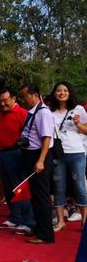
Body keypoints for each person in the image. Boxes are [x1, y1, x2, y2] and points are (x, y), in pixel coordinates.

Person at [0, 87, 35, 228]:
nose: (2, 103)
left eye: (5, 100)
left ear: (13, 99)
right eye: (0, 101)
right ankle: (15, 217)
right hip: (1, 154)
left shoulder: (23, 114)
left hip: (17, 153)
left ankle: (28, 220)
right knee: (7, 187)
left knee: (19, 187)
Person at [18, 83, 55, 243]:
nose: (23, 100)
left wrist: (40, 160)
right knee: (35, 196)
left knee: (41, 196)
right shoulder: (32, 113)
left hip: (39, 156)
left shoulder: (43, 113)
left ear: (34, 95)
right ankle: (39, 228)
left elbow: (46, 137)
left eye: (24, 96)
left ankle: (46, 235)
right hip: (30, 155)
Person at [48, 81, 87, 230]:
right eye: (58, 90)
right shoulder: (49, 111)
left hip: (76, 153)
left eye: (65, 90)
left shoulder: (78, 109)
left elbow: (86, 131)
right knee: (58, 187)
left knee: (80, 187)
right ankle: (60, 221)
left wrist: (78, 124)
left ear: (69, 93)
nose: (62, 93)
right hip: (58, 154)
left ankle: (84, 221)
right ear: (54, 93)